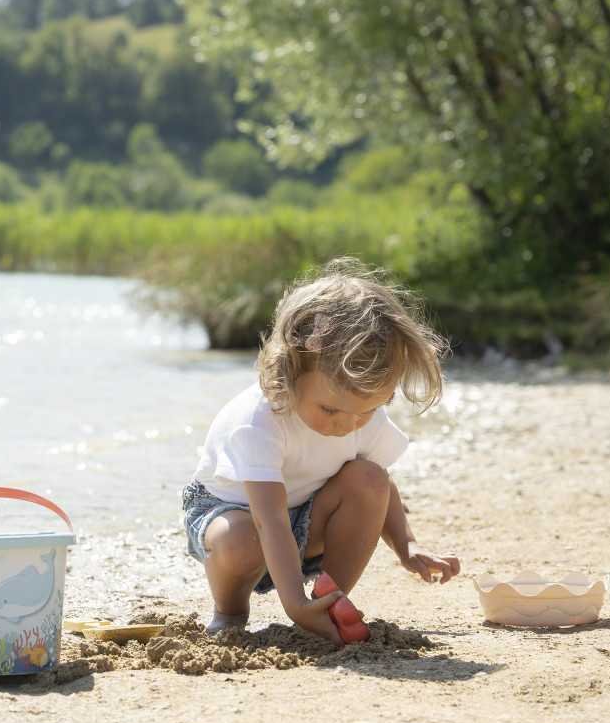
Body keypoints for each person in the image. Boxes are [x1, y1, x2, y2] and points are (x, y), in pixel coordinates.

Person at [182, 258, 461, 643]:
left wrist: (406, 546)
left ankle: (329, 598)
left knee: (368, 478)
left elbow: (380, 488)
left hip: (307, 516)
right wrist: (291, 602)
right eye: (330, 409)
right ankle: (230, 611)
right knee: (241, 540)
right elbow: (270, 521)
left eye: (366, 410)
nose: (345, 425)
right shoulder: (259, 421)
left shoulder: (361, 417)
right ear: (289, 372)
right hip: (236, 516)